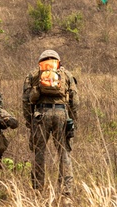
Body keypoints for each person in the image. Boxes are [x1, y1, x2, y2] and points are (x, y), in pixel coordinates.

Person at [22, 49, 78, 196]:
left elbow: (26, 101)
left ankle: (38, 190)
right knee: (64, 152)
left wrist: (30, 122)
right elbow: (75, 101)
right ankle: (66, 192)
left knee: (39, 152)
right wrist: (72, 121)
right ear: (58, 61)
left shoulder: (33, 75)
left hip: (40, 115)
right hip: (61, 114)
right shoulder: (66, 74)